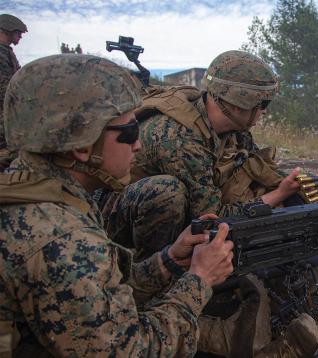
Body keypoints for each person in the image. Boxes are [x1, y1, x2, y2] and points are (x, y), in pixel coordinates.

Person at [0, 54, 318, 357]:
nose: (139, 143)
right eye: (128, 131)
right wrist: (199, 281)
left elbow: (110, 293)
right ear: (83, 146)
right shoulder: (62, 239)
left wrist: (167, 261)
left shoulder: (49, 195)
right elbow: (132, 351)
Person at [98, 50, 301, 260]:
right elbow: (213, 218)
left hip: (161, 204)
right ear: (236, 104)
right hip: (115, 213)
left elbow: (255, 162)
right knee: (168, 192)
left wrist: (293, 182)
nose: (264, 111)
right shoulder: (179, 139)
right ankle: (155, 268)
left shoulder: (230, 127)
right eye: (263, 104)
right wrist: (279, 194)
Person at [0, 13, 27, 171]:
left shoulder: (6, 52)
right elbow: (5, 88)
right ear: (6, 30)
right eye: (18, 32)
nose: (20, 37)